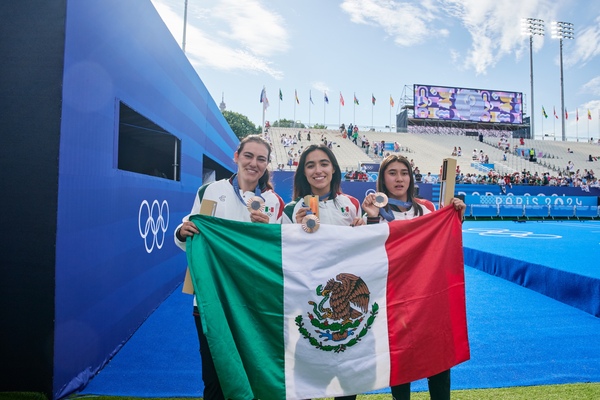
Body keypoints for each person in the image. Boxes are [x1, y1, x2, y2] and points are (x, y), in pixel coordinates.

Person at [174, 135, 284, 400]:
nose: (253, 163)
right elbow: (188, 233)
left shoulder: (274, 202)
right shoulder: (210, 191)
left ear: (267, 164)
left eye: (261, 159)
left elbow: (281, 254)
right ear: (236, 157)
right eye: (248, 156)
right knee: (215, 378)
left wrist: (267, 232)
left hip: (252, 302)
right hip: (211, 300)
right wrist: (181, 231)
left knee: (254, 374)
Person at [361, 154, 466, 400]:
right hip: (395, 297)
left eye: (404, 172)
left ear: (411, 176)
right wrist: (373, 217)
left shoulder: (427, 208)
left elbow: (443, 245)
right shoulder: (373, 208)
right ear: (382, 179)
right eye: (392, 173)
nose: (399, 179)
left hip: (428, 295)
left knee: (437, 356)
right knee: (402, 357)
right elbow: (369, 255)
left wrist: (455, 216)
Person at [282, 144, 363, 400]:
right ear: (303, 173)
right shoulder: (291, 210)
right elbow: (282, 257)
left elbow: (361, 257)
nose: (318, 170)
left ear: (334, 169)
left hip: (344, 307)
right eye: (310, 165)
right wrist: (294, 233)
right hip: (305, 305)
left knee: (346, 376)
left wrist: (362, 230)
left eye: (324, 163)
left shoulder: (351, 205)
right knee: (302, 375)